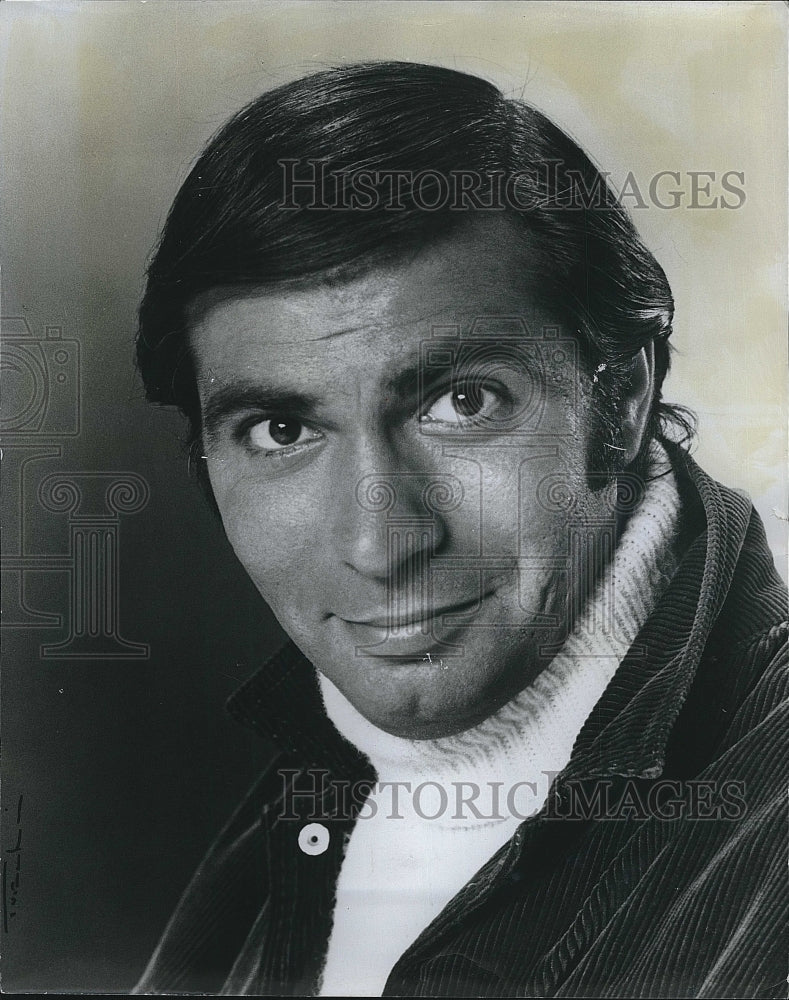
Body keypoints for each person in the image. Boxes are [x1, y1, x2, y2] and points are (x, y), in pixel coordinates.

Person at [132, 62, 787, 997]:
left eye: (462, 401)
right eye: (282, 430)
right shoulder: (318, 774)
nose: (378, 544)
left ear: (625, 397)